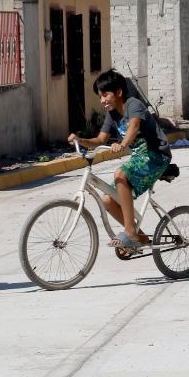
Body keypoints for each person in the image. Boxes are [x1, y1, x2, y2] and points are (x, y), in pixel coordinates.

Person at [67, 69, 171, 253]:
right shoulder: (112, 114)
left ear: (119, 92)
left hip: (156, 155)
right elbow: (100, 140)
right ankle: (139, 237)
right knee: (108, 200)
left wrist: (123, 144)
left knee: (120, 173)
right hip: (140, 156)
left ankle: (130, 232)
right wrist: (80, 140)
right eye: (100, 96)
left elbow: (134, 126)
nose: (102, 100)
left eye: (105, 94)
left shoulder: (133, 104)